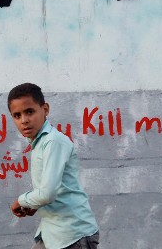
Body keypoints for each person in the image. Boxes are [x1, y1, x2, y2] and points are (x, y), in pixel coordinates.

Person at [8, 83, 99, 249]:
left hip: (72, 235)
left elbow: (47, 194)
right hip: (53, 232)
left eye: (29, 111)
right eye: (17, 115)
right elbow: (52, 190)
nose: (24, 120)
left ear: (45, 109)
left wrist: (21, 201)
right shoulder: (40, 142)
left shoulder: (53, 141)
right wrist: (34, 204)